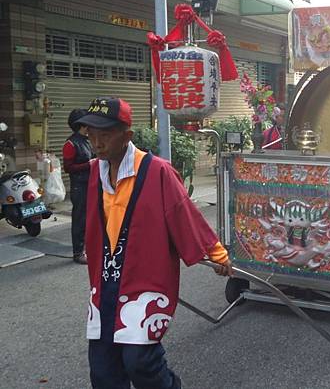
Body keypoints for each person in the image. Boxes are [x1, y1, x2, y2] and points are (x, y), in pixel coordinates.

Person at [77, 97, 233, 389]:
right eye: (91, 134)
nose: (97, 142)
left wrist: (216, 254)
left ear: (127, 136)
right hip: (106, 280)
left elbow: (182, 212)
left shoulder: (156, 170)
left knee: (140, 362)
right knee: (102, 368)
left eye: (105, 134)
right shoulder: (95, 172)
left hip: (143, 280)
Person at [63, 109, 94, 264]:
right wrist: (88, 164)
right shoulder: (71, 143)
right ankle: (78, 253)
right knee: (80, 219)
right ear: (81, 124)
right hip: (79, 186)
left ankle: (88, 249)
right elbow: (68, 168)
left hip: (90, 184)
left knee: (91, 218)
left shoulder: (87, 140)